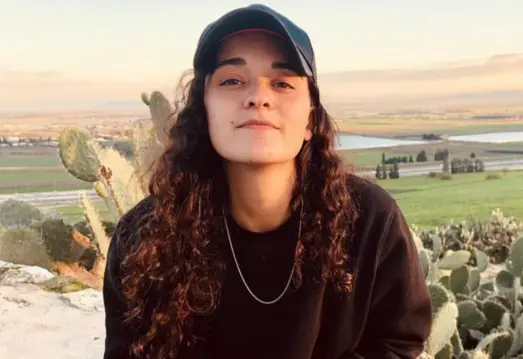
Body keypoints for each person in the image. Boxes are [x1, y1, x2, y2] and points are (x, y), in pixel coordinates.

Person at [102, 4, 432, 359]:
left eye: (282, 83)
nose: (258, 97)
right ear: (204, 111)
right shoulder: (144, 238)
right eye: (232, 80)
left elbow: (398, 341)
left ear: (310, 120)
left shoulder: (369, 221)